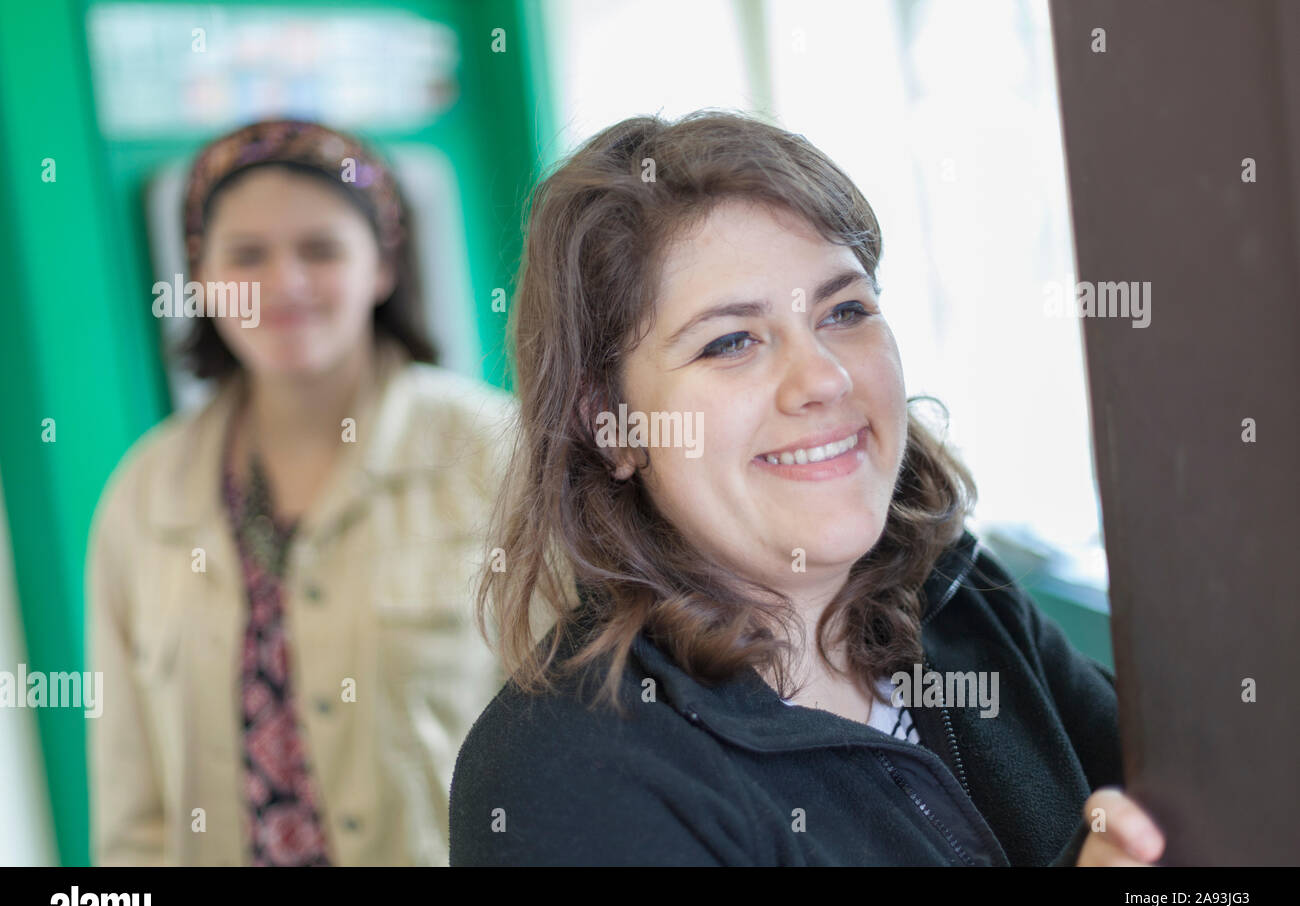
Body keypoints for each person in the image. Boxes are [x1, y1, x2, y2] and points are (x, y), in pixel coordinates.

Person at [449, 109, 1165, 866]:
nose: (825, 376)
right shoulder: (558, 778)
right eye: (730, 342)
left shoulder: (964, 598)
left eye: (846, 310)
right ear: (611, 426)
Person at [87, 118, 514, 866]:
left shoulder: (500, 459)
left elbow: (583, 757)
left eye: (319, 249)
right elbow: (133, 814)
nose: (282, 284)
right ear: (201, 278)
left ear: (381, 266)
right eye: (246, 255)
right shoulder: (144, 496)